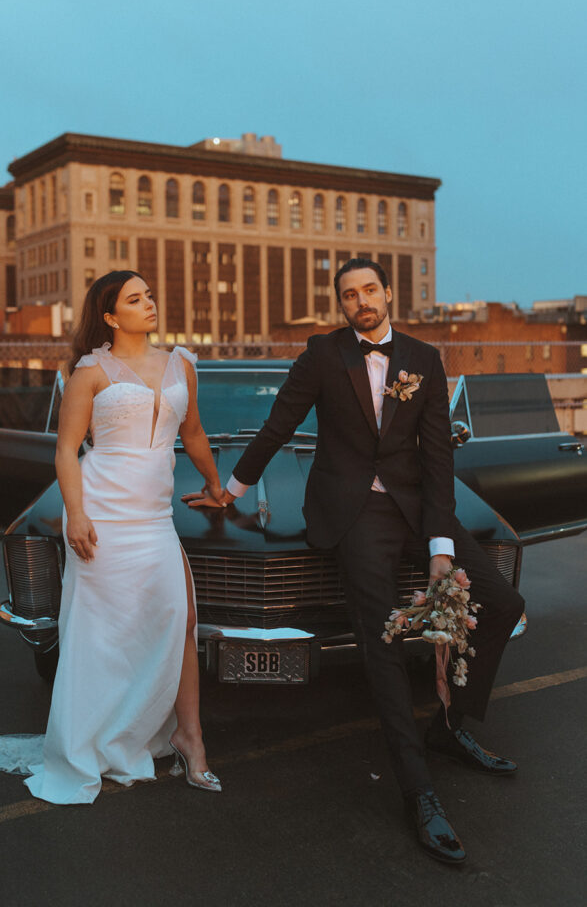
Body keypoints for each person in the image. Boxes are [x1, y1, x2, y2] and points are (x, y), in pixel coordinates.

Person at [211, 257, 524, 864]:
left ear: (388, 293)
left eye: (370, 290)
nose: (362, 301)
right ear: (341, 305)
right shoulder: (325, 355)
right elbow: (279, 422)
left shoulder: (424, 360)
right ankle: (419, 793)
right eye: (349, 295)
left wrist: (440, 548)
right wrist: (232, 489)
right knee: (380, 645)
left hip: (417, 506)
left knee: (505, 601)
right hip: (352, 512)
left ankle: (450, 727)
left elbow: (438, 460)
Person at [0, 270, 224, 803]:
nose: (149, 303)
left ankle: (189, 737)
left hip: (153, 518)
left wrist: (216, 484)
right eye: (135, 299)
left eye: (149, 294)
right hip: (103, 514)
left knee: (182, 619)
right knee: (103, 634)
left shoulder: (182, 364)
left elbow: (192, 433)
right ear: (109, 316)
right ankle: (97, 737)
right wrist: (74, 514)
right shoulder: (90, 371)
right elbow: (67, 450)